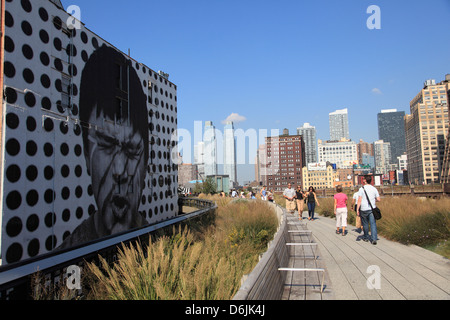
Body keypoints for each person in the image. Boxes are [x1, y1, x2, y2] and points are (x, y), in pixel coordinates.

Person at [59, 45, 149, 249]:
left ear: (145, 164)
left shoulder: (156, 244)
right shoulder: (62, 256)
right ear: (85, 152)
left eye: (132, 150)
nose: (119, 171)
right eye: (107, 145)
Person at [357, 175, 381, 245]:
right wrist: (374, 200)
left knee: (365, 224)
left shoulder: (362, 189)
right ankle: (374, 239)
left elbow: (359, 200)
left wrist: (358, 209)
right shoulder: (374, 189)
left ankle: (366, 237)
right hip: (371, 208)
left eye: (363, 179)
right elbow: (379, 199)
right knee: (373, 224)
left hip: (363, 209)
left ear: (365, 180)